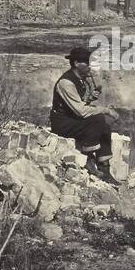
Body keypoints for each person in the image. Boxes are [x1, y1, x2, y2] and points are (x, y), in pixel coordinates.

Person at [50, 45, 120, 186]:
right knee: (98, 118)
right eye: (87, 63)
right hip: (62, 124)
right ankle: (88, 159)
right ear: (76, 63)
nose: (89, 66)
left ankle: (105, 169)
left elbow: (79, 102)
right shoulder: (66, 83)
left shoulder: (81, 79)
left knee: (104, 126)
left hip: (73, 120)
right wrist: (106, 110)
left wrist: (90, 98)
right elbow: (81, 111)